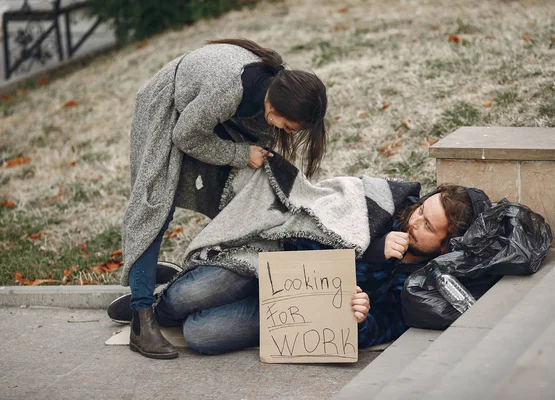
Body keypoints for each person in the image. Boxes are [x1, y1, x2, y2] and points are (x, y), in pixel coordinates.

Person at [117, 38, 328, 359]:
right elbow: (185, 135)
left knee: (237, 188)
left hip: (206, 114)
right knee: (154, 208)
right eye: (288, 125)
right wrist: (239, 153)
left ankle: (197, 276)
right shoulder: (227, 90)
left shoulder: (278, 86)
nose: (288, 132)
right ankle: (141, 318)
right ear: (275, 108)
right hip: (165, 107)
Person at [135, 184, 490, 354]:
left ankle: (183, 299)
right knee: (186, 296)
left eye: (429, 226)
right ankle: (155, 304)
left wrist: (361, 318)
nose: (414, 221)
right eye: (421, 211)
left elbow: (388, 325)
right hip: (269, 263)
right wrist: (370, 252)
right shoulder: (387, 207)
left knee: (200, 336)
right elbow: (309, 227)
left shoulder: (422, 282)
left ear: (446, 246)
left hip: (298, 310)